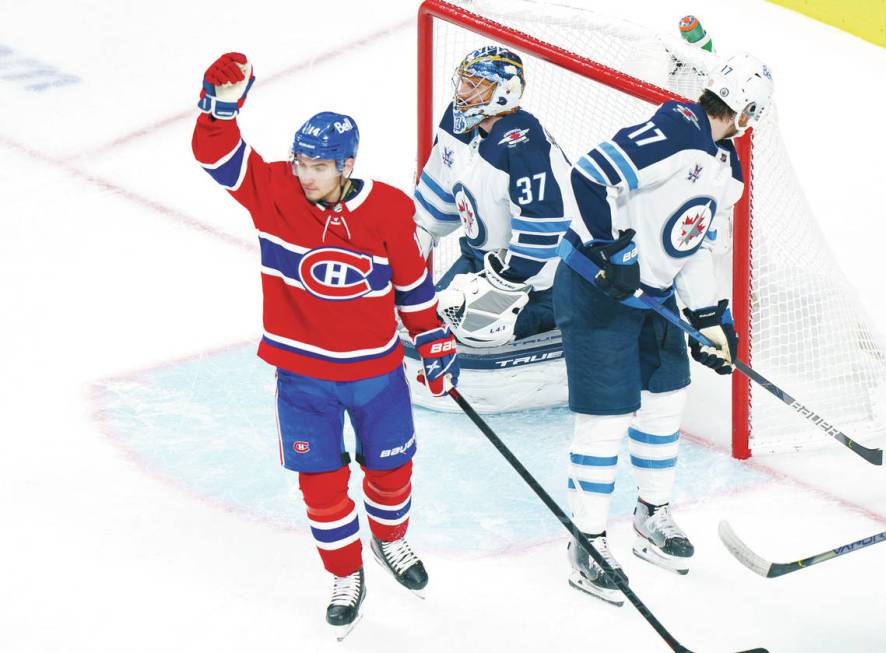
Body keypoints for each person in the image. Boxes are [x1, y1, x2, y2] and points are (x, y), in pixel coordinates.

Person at [191, 52, 460, 639]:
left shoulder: (389, 208)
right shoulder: (273, 192)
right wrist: (220, 104)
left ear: (346, 164)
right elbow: (216, 155)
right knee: (320, 486)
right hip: (302, 376)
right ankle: (345, 573)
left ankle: (389, 539)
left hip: (376, 374)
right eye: (301, 162)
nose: (305, 174)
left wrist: (435, 341)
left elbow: (413, 288)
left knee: (392, 475)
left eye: (318, 166)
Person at [555, 54, 774, 602]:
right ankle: (586, 541)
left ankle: (651, 515)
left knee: (665, 400)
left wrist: (709, 318)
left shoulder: (727, 167)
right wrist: (613, 249)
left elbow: (692, 243)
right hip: (597, 293)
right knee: (606, 420)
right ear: (747, 111)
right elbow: (587, 175)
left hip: (654, 300)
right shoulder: (678, 127)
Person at [413, 45, 577, 348]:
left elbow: (545, 225)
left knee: (472, 333)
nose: (462, 91)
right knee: (427, 318)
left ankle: (568, 316)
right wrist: (407, 254)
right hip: (481, 259)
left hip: (540, 279)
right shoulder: (457, 121)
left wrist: (504, 284)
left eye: (475, 85)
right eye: (463, 81)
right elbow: (435, 202)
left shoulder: (522, 142)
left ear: (504, 92)